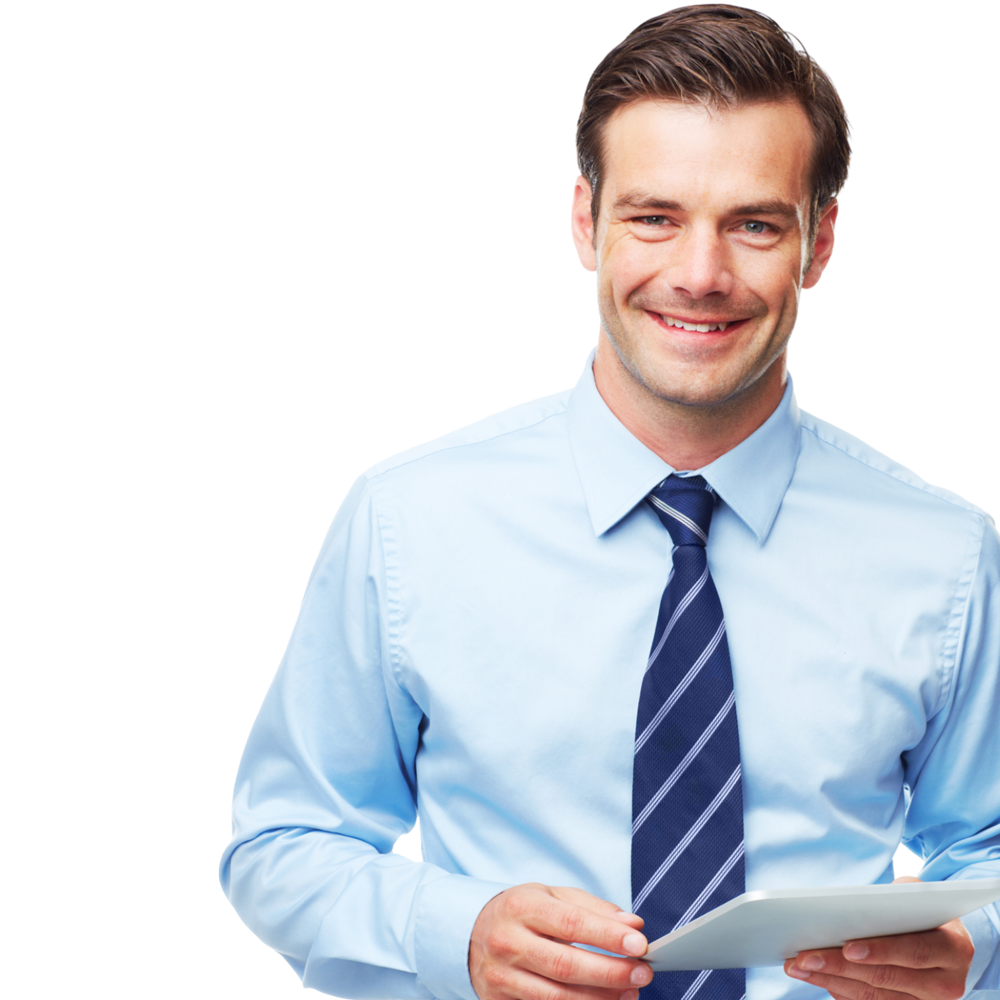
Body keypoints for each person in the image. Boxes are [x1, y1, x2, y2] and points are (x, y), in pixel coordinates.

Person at [220, 7, 1000, 1000]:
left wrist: (974, 947)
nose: (699, 275)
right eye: (654, 217)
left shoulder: (945, 554)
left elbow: (985, 849)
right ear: (584, 223)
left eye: (754, 223)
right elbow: (283, 845)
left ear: (820, 242)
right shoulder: (410, 522)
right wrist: (457, 934)